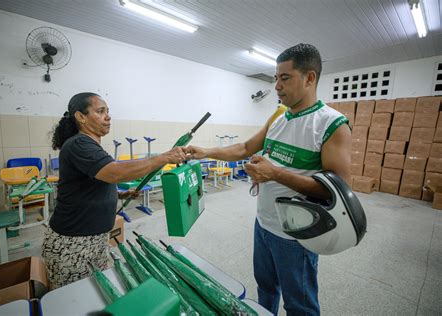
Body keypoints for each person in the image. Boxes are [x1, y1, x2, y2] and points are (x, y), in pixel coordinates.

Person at [187, 43, 351, 315]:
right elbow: (244, 148)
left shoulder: (331, 124)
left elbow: (340, 190)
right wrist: (205, 151)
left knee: (300, 304)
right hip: (263, 224)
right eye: (276, 78)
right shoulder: (278, 116)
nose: (276, 86)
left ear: (310, 78)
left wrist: (274, 173)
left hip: (297, 235)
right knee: (266, 288)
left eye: (285, 78)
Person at [42, 92, 187, 289]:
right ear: (80, 117)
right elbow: (114, 173)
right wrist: (163, 158)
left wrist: (120, 194)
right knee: (78, 299)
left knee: (98, 293)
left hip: (96, 238)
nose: (108, 116)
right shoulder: (79, 143)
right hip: (74, 242)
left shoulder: (91, 144)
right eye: (100, 111)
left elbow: (91, 184)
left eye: (108, 111)